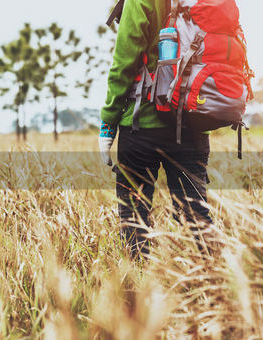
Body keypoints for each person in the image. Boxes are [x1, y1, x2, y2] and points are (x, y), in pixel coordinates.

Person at [99, 0, 213, 258]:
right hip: (192, 123)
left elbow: (124, 63)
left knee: (134, 215)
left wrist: (108, 122)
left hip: (142, 125)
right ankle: (216, 286)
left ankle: (138, 290)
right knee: (196, 214)